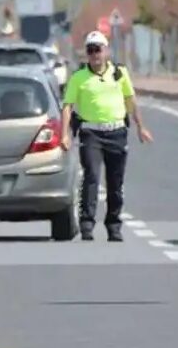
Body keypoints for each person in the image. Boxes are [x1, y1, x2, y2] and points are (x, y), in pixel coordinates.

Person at [60, 30, 153, 242]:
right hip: (90, 132)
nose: (94, 55)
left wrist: (141, 126)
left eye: (98, 49)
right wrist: (65, 134)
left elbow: (131, 101)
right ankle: (87, 223)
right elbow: (67, 107)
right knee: (91, 175)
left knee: (115, 181)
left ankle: (113, 224)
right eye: (90, 50)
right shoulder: (78, 78)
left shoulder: (119, 74)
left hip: (116, 132)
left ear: (106, 51)